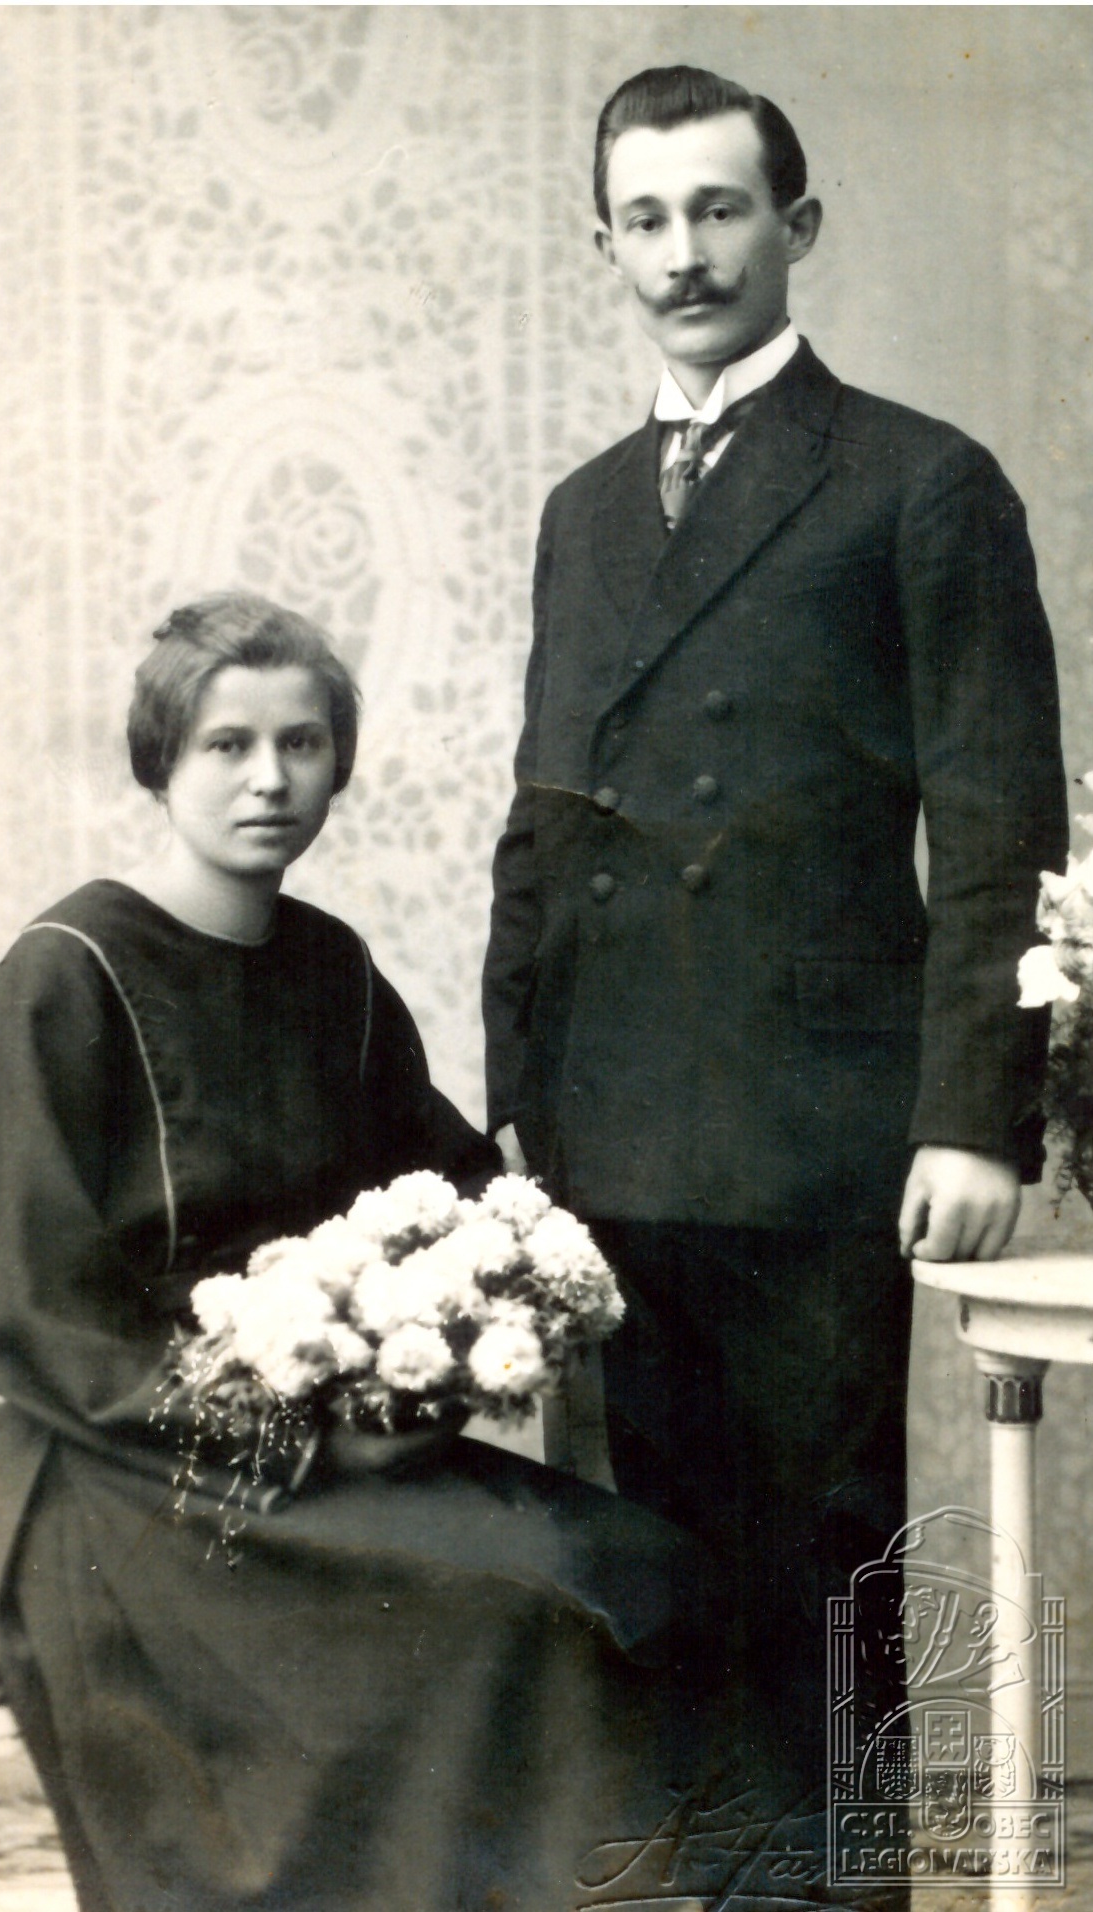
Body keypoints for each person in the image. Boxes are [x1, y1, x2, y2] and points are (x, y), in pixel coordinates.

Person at [0, 592, 827, 1912]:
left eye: (300, 743)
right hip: (114, 1461)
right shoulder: (61, 979)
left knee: (642, 1568)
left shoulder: (330, 967)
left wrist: (507, 1288)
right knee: (525, 1610)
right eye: (227, 744)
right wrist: (299, 1439)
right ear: (160, 761)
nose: (269, 778)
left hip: (319, 1429)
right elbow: (41, 1318)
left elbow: (448, 1182)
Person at [482, 65, 1070, 1792]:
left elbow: (997, 825)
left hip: (813, 1118)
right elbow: (543, 821)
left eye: (719, 209)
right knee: (649, 1559)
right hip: (609, 1118)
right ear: (601, 244)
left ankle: (831, 1899)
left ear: (795, 225)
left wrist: (974, 1112)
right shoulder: (585, 510)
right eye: (646, 219)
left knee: (821, 1565)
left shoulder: (917, 480)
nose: (684, 253)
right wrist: (518, 1095)